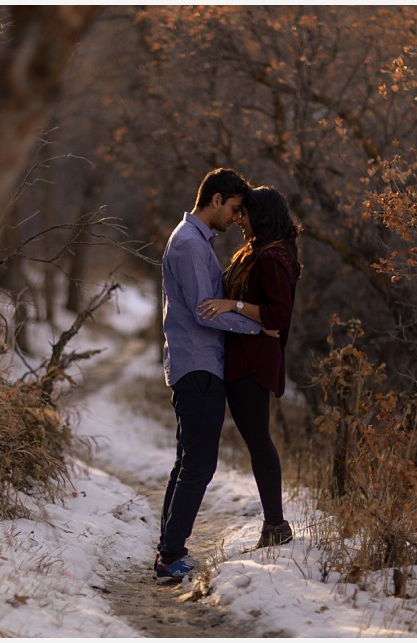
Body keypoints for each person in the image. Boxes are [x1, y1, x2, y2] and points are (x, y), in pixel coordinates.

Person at [156, 168, 263, 582]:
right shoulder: (188, 245)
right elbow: (206, 311)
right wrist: (258, 325)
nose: (236, 218)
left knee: (187, 462)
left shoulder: (195, 242)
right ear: (215, 199)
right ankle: (170, 558)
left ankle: (167, 552)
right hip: (198, 365)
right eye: (234, 208)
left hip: (196, 364)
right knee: (199, 465)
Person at [198, 186, 302, 549]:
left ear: (262, 216)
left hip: (256, 360)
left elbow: (278, 315)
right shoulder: (257, 251)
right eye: (238, 212)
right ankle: (275, 524)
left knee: (258, 440)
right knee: (256, 439)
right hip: (244, 355)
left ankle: (276, 525)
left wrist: (234, 306)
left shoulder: (274, 258)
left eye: (245, 214)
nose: (239, 220)